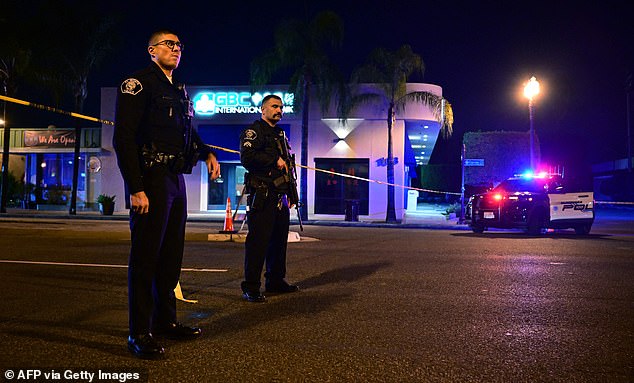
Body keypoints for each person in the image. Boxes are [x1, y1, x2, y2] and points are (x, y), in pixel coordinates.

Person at [113, 29, 220, 359]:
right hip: (152, 179)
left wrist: (206, 153)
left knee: (171, 257)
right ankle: (139, 333)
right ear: (151, 50)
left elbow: (188, 132)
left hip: (175, 180)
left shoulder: (178, 90)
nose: (176, 49)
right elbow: (124, 138)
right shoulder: (139, 84)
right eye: (169, 45)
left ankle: (165, 322)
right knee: (145, 259)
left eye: (179, 46)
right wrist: (136, 188)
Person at [239, 94, 299, 303]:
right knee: (258, 242)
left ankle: (275, 280)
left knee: (279, 242)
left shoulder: (280, 134)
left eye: (281, 107)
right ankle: (251, 287)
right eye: (274, 106)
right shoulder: (254, 131)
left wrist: (291, 194)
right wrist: (275, 159)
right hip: (262, 194)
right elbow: (247, 158)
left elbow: (287, 166)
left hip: (280, 195)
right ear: (263, 109)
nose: (279, 110)